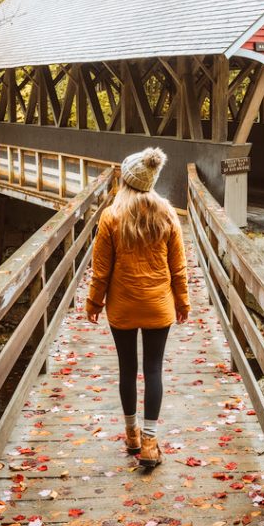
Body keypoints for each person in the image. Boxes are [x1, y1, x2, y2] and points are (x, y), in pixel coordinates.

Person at [85, 147, 190, 470]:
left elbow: (101, 269)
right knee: (154, 369)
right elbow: (179, 267)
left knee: (128, 369)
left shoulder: (111, 217)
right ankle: (149, 442)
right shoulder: (167, 213)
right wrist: (182, 301)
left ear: (126, 181)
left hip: (123, 306)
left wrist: (94, 302)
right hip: (158, 305)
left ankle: (131, 435)